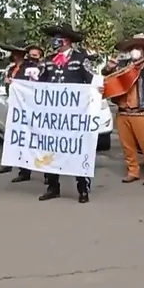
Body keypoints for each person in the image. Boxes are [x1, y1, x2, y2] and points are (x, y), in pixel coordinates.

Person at [38, 23, 95, 203]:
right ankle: (53, 187)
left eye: (58, 37)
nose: (54, 41)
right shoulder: (48, 60)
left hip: (74, 115)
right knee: (51, 149)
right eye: (53, 37)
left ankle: (82, 189)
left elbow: (92, 81)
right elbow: (38, 84)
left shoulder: (80, 58)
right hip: (53, 115)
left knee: (77, 150)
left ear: (67, 40)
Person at [102, 36, 144, 185]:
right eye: (132, 48)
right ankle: (133, 171)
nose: (135, 51)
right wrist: (109, 67)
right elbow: (106, 75)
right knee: (127, 145)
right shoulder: (123, 66)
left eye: (138, 48)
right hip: (124, 110)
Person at [7, 43, 45, 183]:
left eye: (36, 55)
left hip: (37, 109)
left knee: (41, 141)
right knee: (23, 140)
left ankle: (47, 173)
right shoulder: (17, 69)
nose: (33, 58)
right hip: (21, 108)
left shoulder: (41, 68)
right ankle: (24, 171)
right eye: (31, 55)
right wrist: (10, 84)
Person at [0, 41, 27, 175]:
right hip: (12, 104)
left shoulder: (26, 69)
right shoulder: (10, 69)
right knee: (10, 136)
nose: (14, 56)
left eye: (16, 54)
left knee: (24, 137)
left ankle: (25, 169)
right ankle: (8, 163)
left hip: (24, 107)